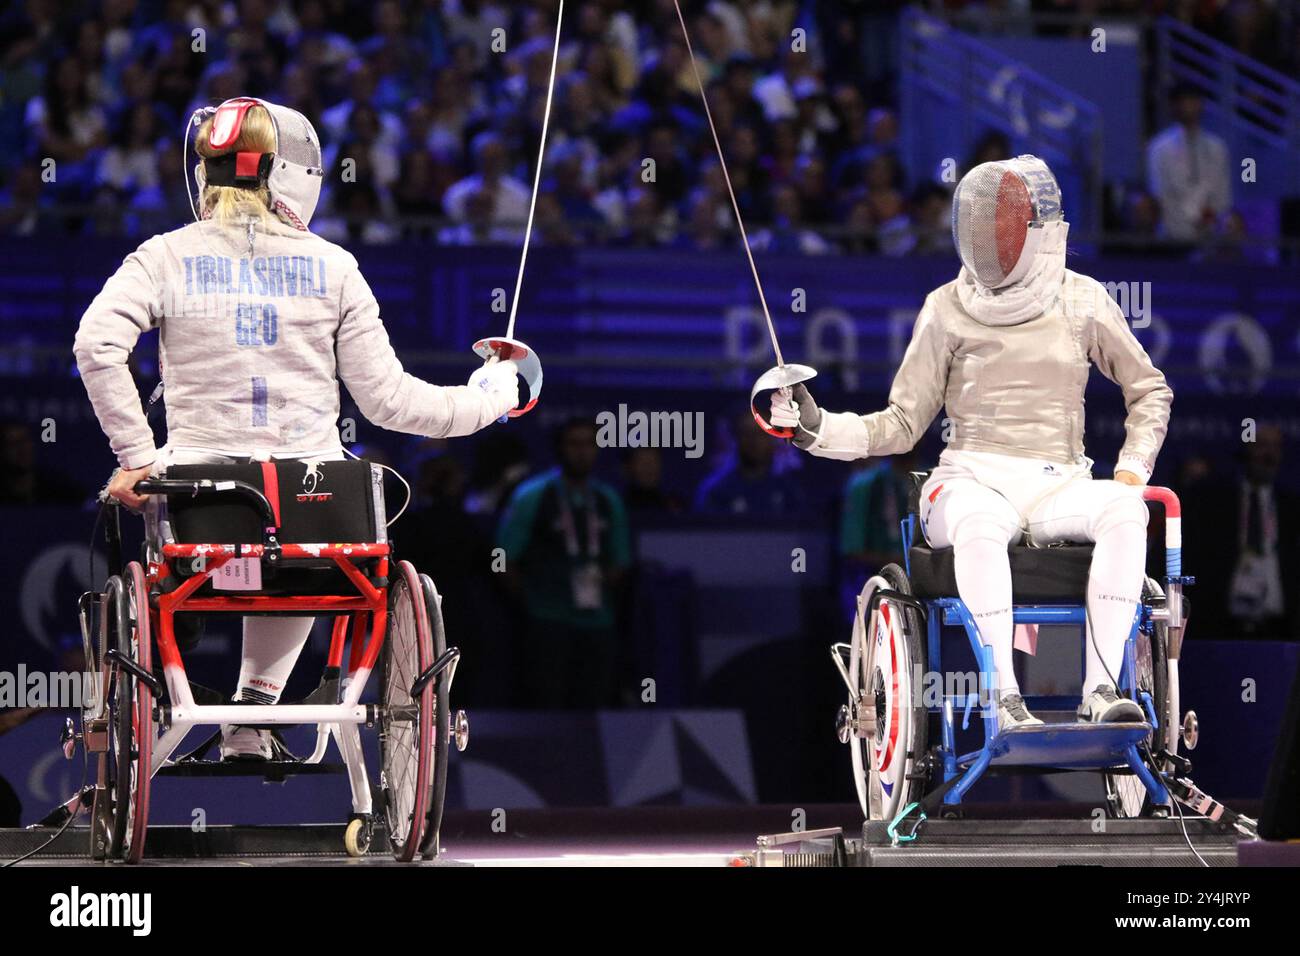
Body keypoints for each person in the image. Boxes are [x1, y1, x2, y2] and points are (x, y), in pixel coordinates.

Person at [73, 97, 520, 760]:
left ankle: (227, 699)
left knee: (226, 530)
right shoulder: (335, 267)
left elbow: (95, 345)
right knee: (307, 526)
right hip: (315, 509)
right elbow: (393, 404)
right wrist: (493, 395)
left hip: (196, 505)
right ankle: (255, 706)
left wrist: (137, 456)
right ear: (296, 175)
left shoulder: (163, 256)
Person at [773, 155, 1173, 728]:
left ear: (1038, 230)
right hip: (969, 480)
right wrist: (817, 429)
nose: (989, 238)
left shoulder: (1081, 299)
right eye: (980, 225)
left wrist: (1132, 471)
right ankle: (1003, 697)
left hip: (1059, 482)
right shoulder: (945, 307)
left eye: (1003, 225)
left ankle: (1102, 690)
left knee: (1126, 511)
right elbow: (901, 424)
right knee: (981, 525)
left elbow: (1149, 390)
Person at [496, 417, 632, 708]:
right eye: (574, 444)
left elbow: (621, 558)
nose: (582, 452)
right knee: (546, 705)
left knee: (594, 706)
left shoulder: (608, 499)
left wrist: (608, 583)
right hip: (547, 621)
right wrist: (529, 601)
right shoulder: (532, 495)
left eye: (589, 444)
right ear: (559, 449)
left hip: (598, 622)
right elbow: (502, 557)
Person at [1146, 84, 1231, 244]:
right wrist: (1180, 223)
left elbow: (1222, 193)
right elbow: (1159, 193)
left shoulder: (1217, 147)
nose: (1189, 106)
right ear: (1174, 106)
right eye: (1184, 101)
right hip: (1171, 234)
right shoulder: (1159, 147)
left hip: (1208, 233)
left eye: (1193, 101)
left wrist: (1207, 219)